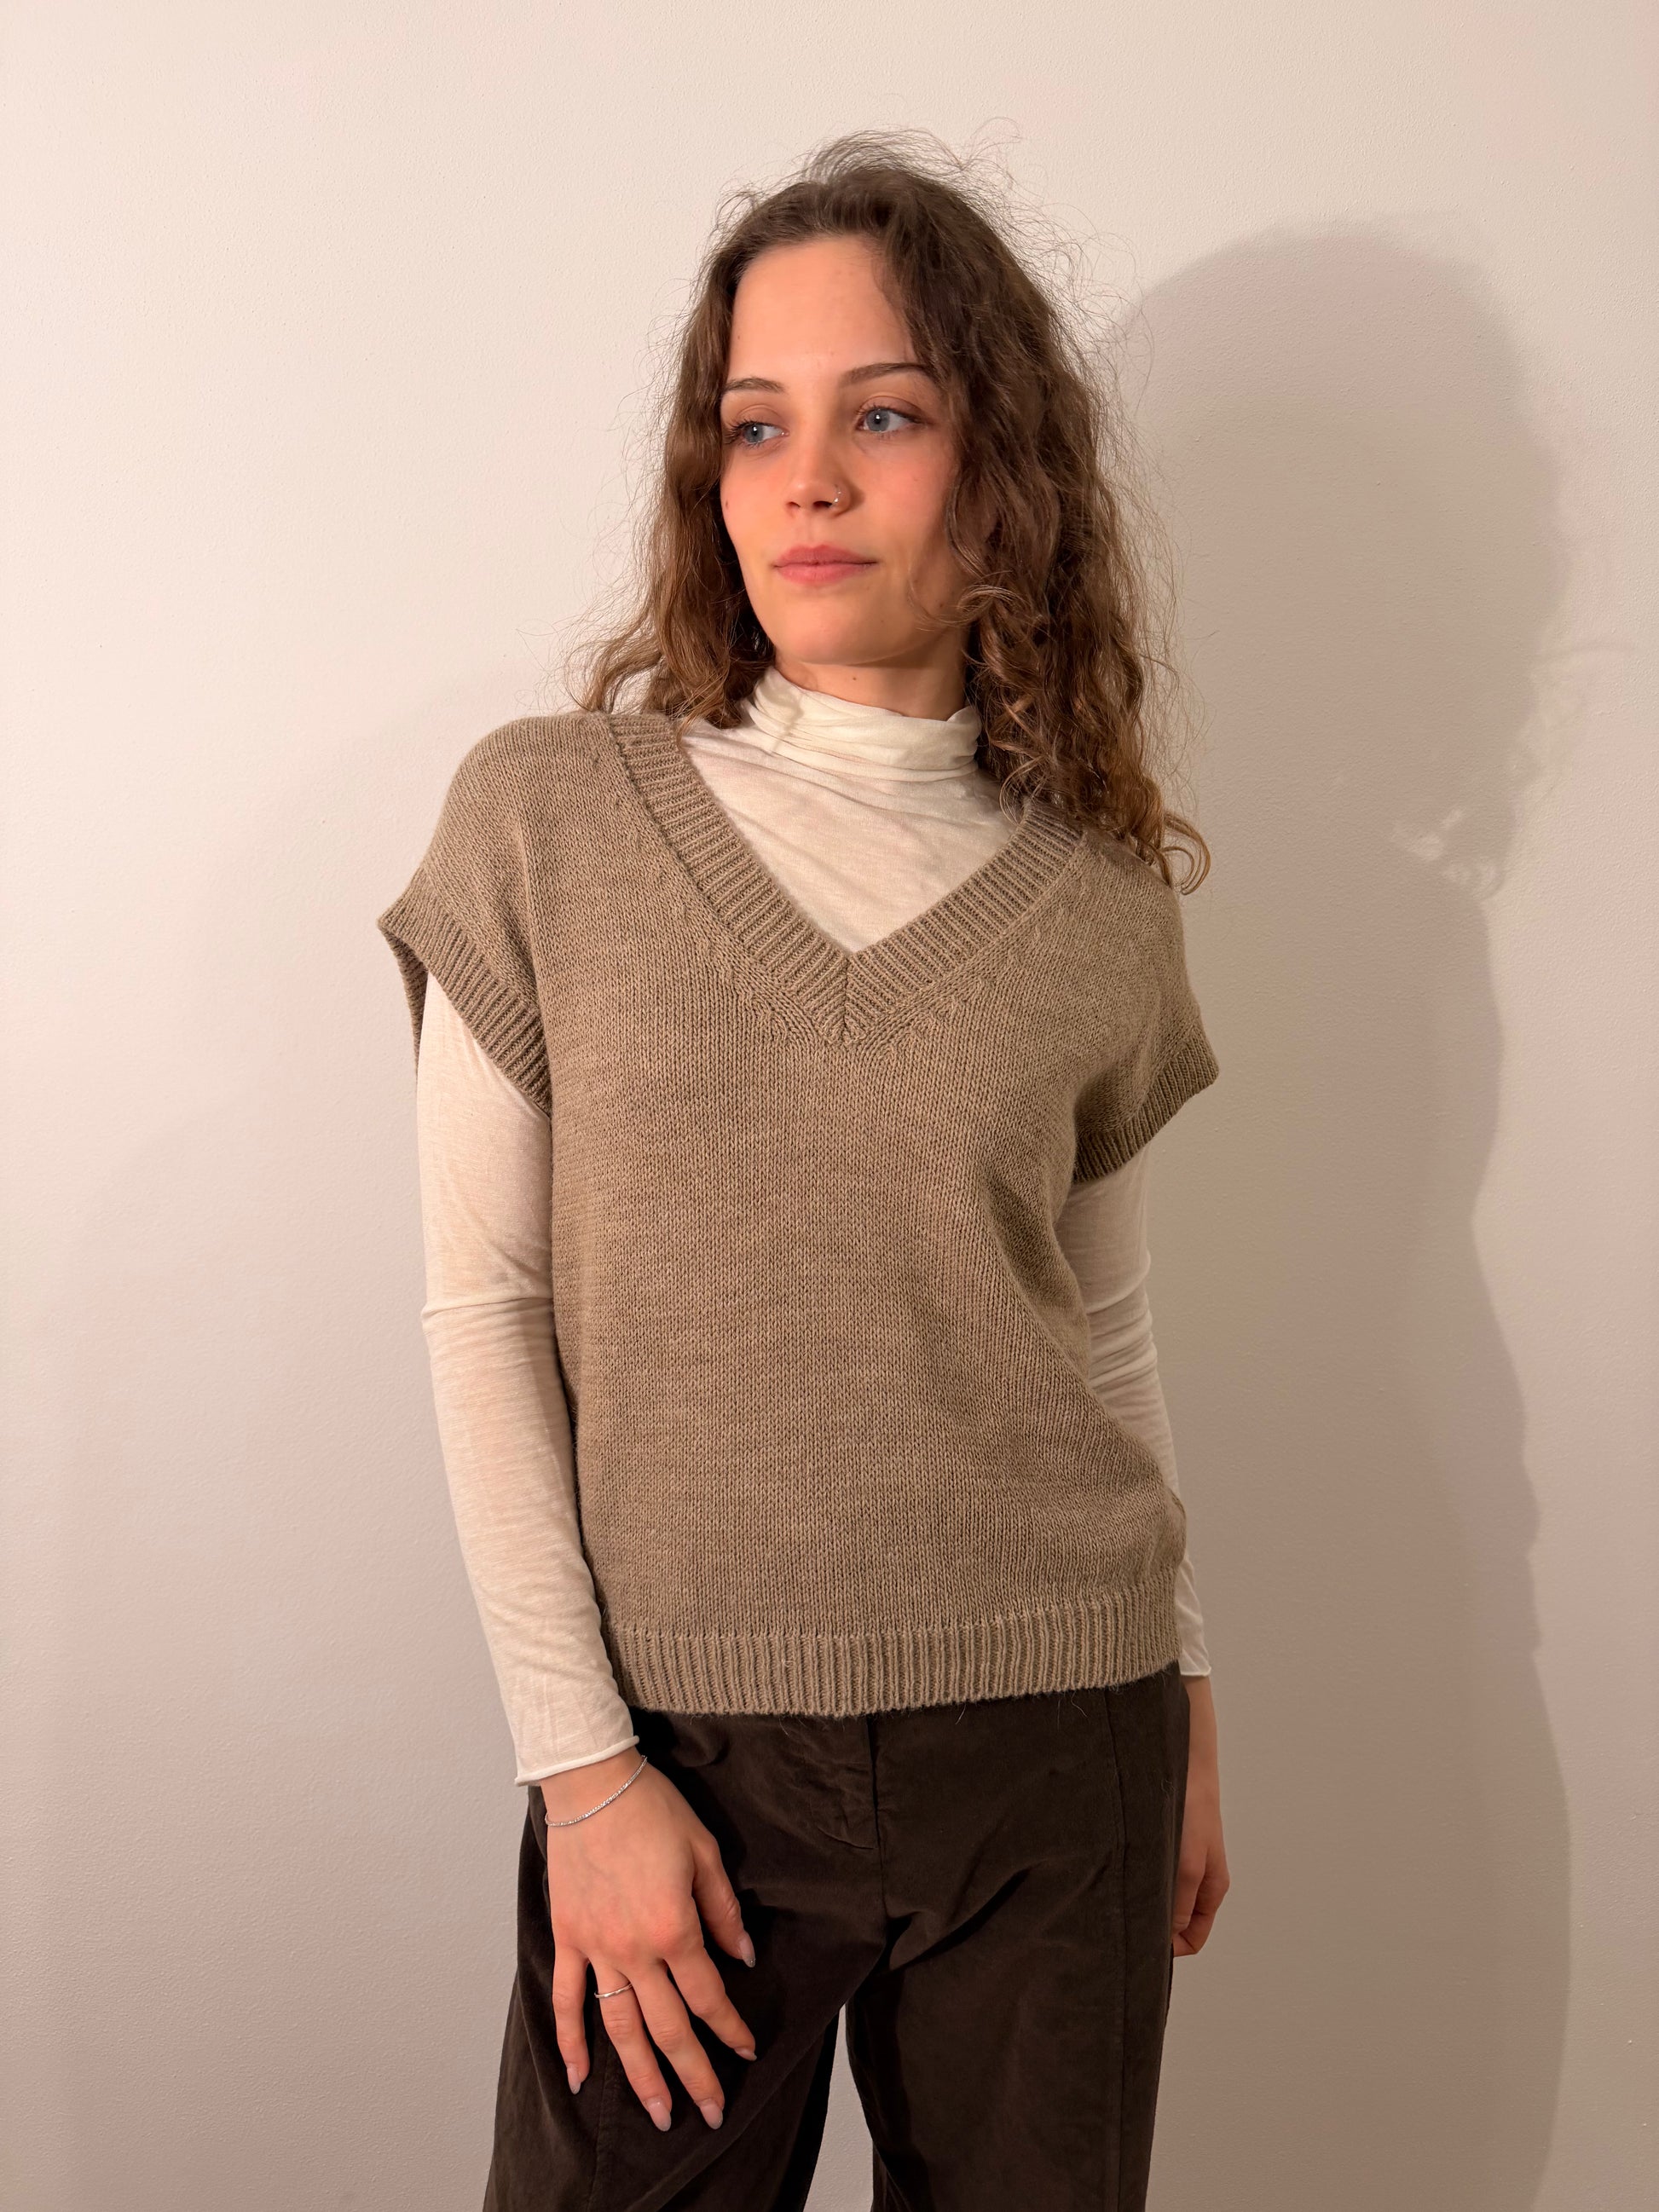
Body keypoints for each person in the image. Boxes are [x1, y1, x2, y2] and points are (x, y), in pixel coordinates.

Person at [379, 130, 1231, 2212]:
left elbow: (1103, 1329)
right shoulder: (545, 822)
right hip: (681, 1765)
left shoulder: (1101, 901)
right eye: (755, 423)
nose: (807, 480)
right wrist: (586, 1775)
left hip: (1063, 1735)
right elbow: (487, 1310)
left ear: (999, 470)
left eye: (886, 415)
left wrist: (1189, 1683)